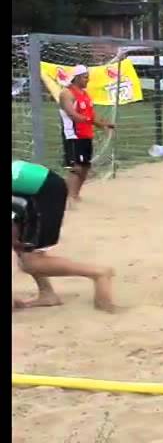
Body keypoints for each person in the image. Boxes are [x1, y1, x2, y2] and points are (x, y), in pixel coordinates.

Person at [12, 160, 115, 311]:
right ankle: (47, 294)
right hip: (39, 186)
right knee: (24, 250)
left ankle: (98, 273)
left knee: (31, 262)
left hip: (44, 191)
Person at [58, 65, 114, 203]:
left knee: (85, 167)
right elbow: (72, 115)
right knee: (75, 167)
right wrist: (89, 120)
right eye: (85, 77)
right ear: (77, 77)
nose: (87, 80)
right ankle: (68, 198)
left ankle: (75, 195)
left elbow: (91, 116)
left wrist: (104, 124)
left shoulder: (85, 95)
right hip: (73, 136)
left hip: (86, 135)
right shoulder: (67, 93)